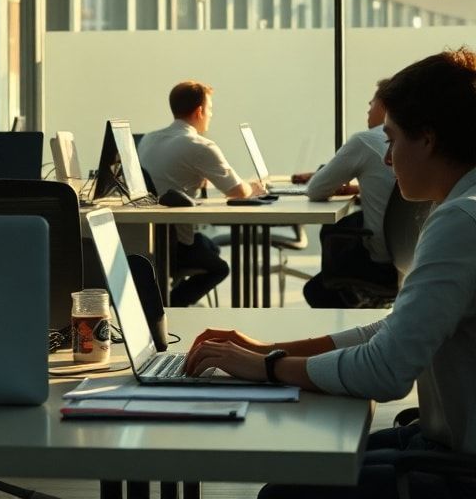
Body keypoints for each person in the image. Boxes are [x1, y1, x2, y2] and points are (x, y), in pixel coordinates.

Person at [185, 47, 476, 499]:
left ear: (429, 139)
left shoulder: (461, 222)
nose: (385, 160)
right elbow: (395, 330)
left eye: (393, 140)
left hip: (459, 467)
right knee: (318, 456)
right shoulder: (461, 206)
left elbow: (385, 371)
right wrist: (269, 348)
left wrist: (267, 367)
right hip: (444, 443)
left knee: (283, 493)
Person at [139, 81, 264, 306]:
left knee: (211, 247)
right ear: (200, 111)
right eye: (211, 109)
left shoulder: (148, 139)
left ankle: (169, 297)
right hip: (178, 243)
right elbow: (237, 192)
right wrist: (253, 188)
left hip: (146, 240)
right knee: (220, 268)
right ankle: (171, 304)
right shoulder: (200, 145)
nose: (211, 114)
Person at [297, 81, 398, 308]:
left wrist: (333, 179)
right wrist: (358, 188)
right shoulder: (420, 141)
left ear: (384, 105)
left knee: (316, 290)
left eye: (372, 102)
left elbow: (315, 190)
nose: (369, 108)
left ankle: (350, 319)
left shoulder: (366, 139)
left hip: (378, 260)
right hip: (409, 256)